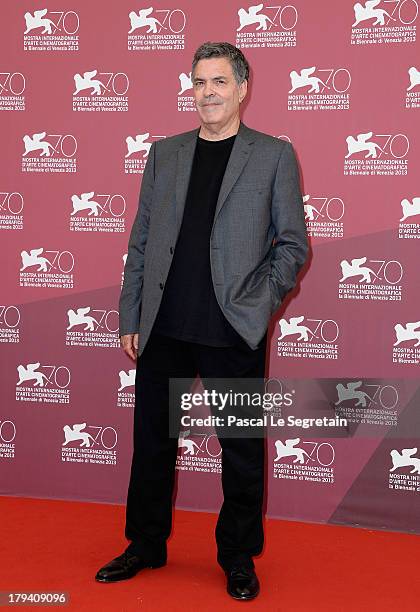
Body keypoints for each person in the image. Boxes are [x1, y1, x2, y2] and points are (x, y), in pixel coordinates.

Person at [95, 41, 308, 600]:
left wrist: (258, 304)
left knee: (240, 447)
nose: (207, 93)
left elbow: (292, 246)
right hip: (163, 324)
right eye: (198, 82)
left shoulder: (273, 156)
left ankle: (238, 556)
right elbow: (140, 241)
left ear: (242, 88)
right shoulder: (164, 154)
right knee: (151, 443)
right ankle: (144, 543)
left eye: (218, 82)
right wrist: (131, 312)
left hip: (233, 328)